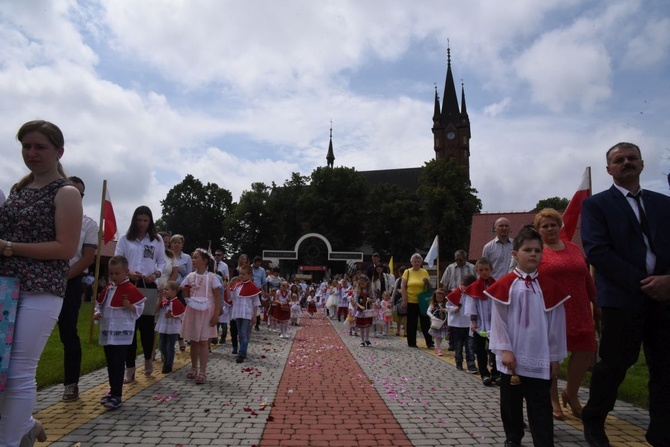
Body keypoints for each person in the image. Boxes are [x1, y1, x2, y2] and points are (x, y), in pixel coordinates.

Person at [580, 142, 670, 447]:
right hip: (622, 299)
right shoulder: (596, 206)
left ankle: (660, 430)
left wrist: (668, 282)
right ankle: (594, 420)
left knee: (665, 367)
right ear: (609, 169)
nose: (626, 162)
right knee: (614, 366)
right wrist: (648, 282)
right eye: (619, 160)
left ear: (643, 164)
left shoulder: (664, 204)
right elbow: (597, 252)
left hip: (665, 299)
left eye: (632, 158)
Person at [0, 120, 82, 446]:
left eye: (40, 147)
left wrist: (8, 248)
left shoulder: (67, 193)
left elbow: (65, 248)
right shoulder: (18, 190)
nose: (31, 153)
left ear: (59, 151)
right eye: (26, 146)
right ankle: (27, 424)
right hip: (6, 287)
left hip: (41, 290)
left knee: (20, 370)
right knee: (3, 371)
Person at [487, 226, 569, 447]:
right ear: (515, 254)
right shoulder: (505, 285)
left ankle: (543, 440)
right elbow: (499, 321)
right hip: (512, 355)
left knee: (540, 402)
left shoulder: (549, 287)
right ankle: (513, 437)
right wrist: (505, 349)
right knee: (511, 402)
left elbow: (556, 326)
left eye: (537, 250)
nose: (533, 254)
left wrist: (554, 357)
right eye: (527, 250)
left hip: (539, 355)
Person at [534, 208, 598, 420]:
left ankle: (571, 393)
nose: (550, 228)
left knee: (585, 350)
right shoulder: (536, 252)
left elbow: (587, 277)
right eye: (545, 226)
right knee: (552, 357)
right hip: (552, 310)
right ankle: (553, 400)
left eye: (553, 224)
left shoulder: (573, 248)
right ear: (538, 230)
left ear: (560, 226)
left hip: (580, 308)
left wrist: (596, 302)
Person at [114, 205, 166, 382]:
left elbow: (161, 262)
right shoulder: (124, 239)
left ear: (150, 221)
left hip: (148, 285)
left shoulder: (156, 240)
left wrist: (156, 274)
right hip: (129, 285)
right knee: (130, 327)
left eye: (146, 220)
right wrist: (128, 273)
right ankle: (130, 367)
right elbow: (117, 260)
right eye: (139, 220)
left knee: (146, 327)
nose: (142, 223)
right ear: (134, 220)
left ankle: (148, 360)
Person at [58, 176, 98, 402]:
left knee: (68, 333)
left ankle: (71, 383)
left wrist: (61, 277)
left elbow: (88, 258)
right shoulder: (48, 217)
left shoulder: (89, 224)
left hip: (70, 281)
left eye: (78, 194)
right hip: (40, 281)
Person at [94, 255, 146, 410]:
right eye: (111, 273)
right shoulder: (108, 288)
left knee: (117, 363)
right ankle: (112, 391)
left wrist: (130, 307)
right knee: (110, 363)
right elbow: (100, 304)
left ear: (126, 272)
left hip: (121, 333)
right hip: (108, 331)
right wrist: (97, 314)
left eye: (117, 274)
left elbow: (140, 308)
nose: (114, 277)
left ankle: (117, 395)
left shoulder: (131, 289)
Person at [180, 249, 222, 384]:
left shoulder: (212, 277)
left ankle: (203, 371)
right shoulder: (190, 276)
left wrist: (216, 314)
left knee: (203, 342)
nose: (193, 260)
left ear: (204, 261)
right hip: (193, 310)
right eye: (192, 257)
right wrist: (185, 295)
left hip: (206, 312)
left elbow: (217, 297)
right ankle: (193, 367)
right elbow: (184, 291)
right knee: (193, 341)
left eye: (196, 257)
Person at [464, 257, 499, 386]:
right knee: (480, 349)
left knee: (495, 349)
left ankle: (496, 373)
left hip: (494, 322)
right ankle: (484, 373)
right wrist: (473, 322)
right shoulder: (474, 287)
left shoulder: (496, 285)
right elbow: (471, 306)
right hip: (479, 323)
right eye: (481, 270)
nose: (484, 272)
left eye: (486, 269)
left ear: (491, 270)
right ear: (477, 271)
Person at [440, 249, 477, 351]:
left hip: (468, 294)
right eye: (456, 260)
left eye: (460, 260)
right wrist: (445, 296)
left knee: (467, 317)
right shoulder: (450, 268)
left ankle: (469, 342)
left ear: (465, 258)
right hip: (454, 294)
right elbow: (445, 283)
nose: (458, 262)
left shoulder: (472, 268)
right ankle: (452, 343)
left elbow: (477, 282)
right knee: (453, 320)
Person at [401, 254, 434, 349]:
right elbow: (403, 287)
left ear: (421, 262)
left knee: (425, 322)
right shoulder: (407, 272)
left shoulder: (424, 272)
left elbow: (430, 286)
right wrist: (404, 300)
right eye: (414, 261)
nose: (416, 263)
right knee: (412, 322)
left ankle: (429, 341)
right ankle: (411, 342)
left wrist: (427, 282)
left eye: (418, 261)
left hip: (422, 302)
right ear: (411, 262)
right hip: (411, 300)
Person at [230, 264, 261, 363]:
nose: (241, 276)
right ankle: (243, 350)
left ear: (249, 275)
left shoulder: (253, 287)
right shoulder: (236, 285)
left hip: (247, 313)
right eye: (240, 273)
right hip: (238, 313)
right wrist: (227, 287)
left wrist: (255, 316)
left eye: (244, 274)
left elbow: (255, 303)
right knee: (241, 333)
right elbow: (231, 298)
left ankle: (242, 353)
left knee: (244, 332)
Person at [446, 275, 478, 372]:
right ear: (463, 285)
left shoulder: (473, 294)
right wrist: (454, 309)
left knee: (470, 346)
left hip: (468, 324)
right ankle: (459, 362)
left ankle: (471, 364)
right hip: (457, 324)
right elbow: (447, 307)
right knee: (458, 345)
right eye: (467, 288)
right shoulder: (455, 294)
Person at [155, 280, 185, 374]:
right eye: (164, 289)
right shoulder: (164, 302)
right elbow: (156, 310)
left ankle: (168, 365)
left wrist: (172, 315)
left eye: (166, 289)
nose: (164, 291)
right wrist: (159, 299)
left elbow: (182, 314)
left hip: (172, 328)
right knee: (161, 346)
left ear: (174, 291)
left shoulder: (177, 302)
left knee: (170, 346)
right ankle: (167, 359)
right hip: (163, 326)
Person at [353, 274, 374, 347]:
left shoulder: (370, 290)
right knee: (362, 326)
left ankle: (367, 339)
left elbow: (373, 298)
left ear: (367, 283)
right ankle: (362, 340)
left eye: (363, 283)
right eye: (361, 283)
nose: (362, 285)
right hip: (361, 310)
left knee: (367, 325)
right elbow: (355, 301)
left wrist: (370, 300)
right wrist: (360, 306)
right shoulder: (357, 291)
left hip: (368, 310)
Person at [426, 289, 449, 356]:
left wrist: (445, 310)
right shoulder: (433, 304)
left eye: (440, 298)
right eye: (437, 297)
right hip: (436, 323)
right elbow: (428, 311)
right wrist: (432, 317)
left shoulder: (445, 304)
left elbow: (448, 310)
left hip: (443, 323)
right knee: (437, 336)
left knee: (441, 336)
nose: (438, 299)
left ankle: (437, 346)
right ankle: (439, 349)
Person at [393, 266, 407, 336]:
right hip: (399, 300)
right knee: (400, 316)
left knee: (405, 316)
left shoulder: (408, 280)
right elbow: (395, 290)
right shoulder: (398, 280)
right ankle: (398, 330)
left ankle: (405, 331)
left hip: (406, 298)